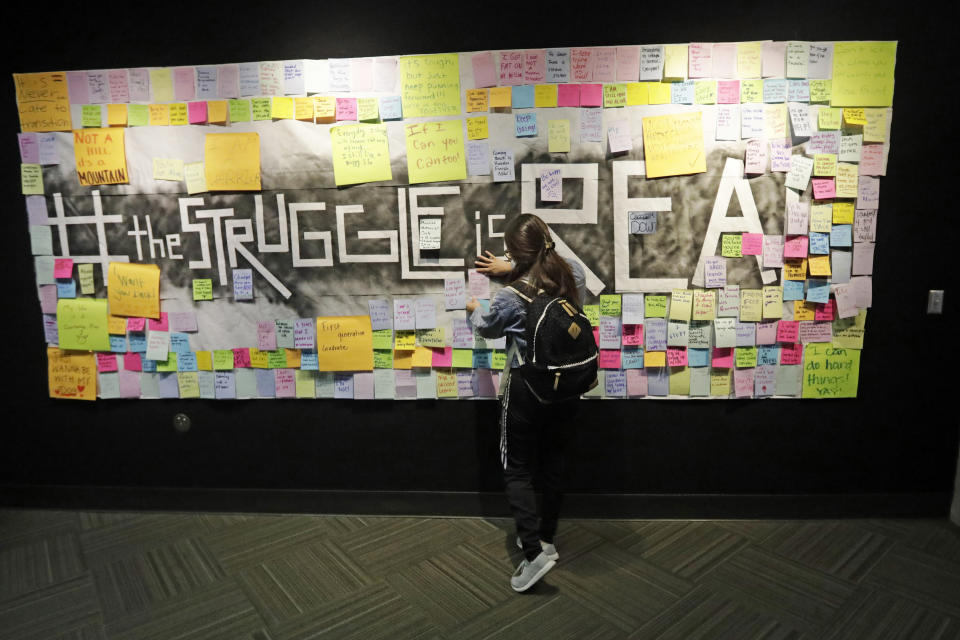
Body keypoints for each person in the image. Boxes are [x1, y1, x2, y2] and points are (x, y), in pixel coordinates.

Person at [466, 213, 586, 592]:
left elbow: (485, 325)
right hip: (566, 387)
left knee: (516, 467)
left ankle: (534, 554)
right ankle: (546, 538)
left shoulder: (511, 296)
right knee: (553, 462)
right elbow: (567, 263)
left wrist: (474, 309)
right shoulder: (571, 278)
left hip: (525, 388)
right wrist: (519, 262)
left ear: (516, 253)